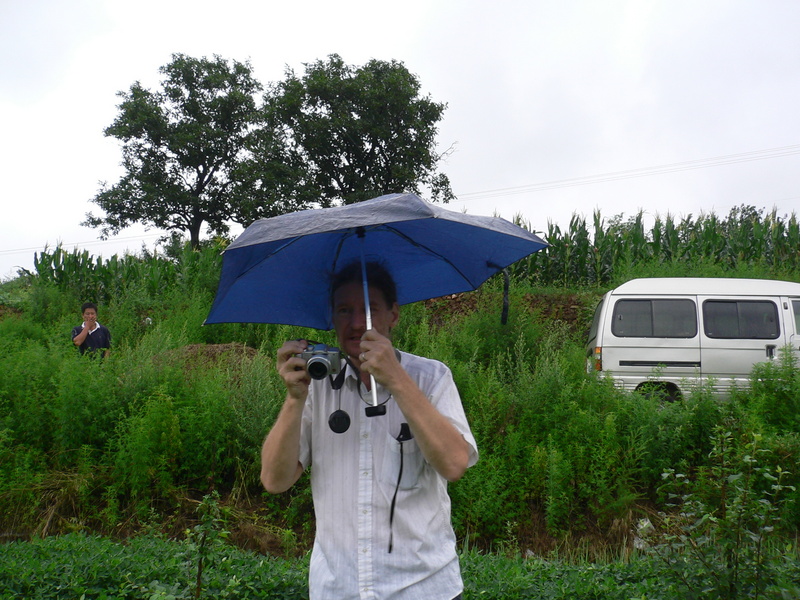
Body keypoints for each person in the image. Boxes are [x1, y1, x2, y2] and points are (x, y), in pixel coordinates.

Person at [261, 261, 478, 600]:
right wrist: (294, 398)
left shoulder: (431, 378)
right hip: (337, 588)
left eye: (370, 309)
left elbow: (454, 464)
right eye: (344, 310)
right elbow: (275, 480)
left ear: (394, 315)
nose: (357, 322)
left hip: (423, 588)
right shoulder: (317, 386)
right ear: (332, 317)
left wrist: (397, 379)